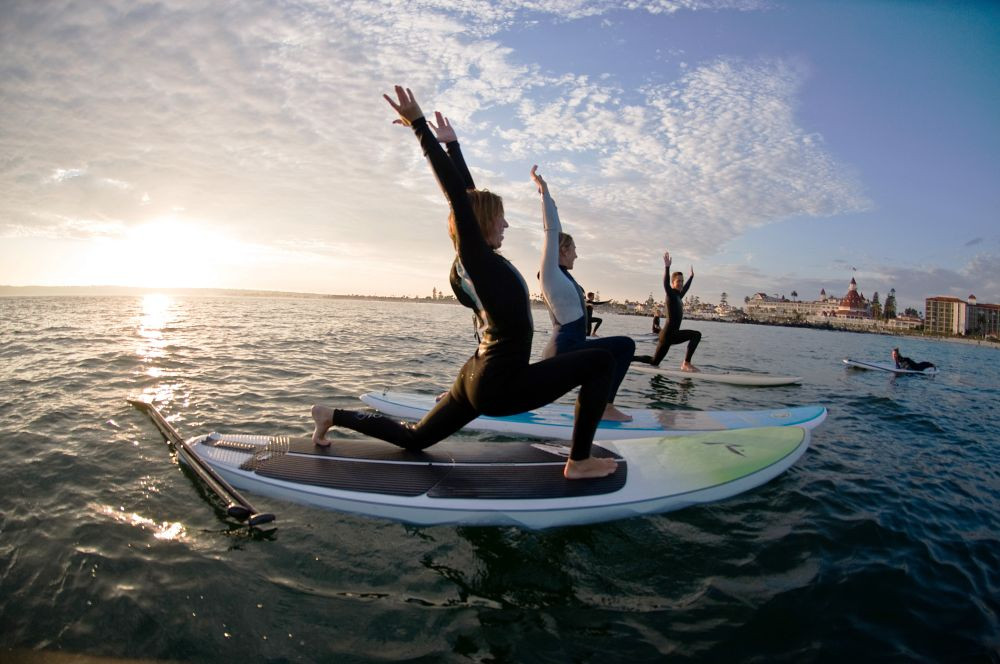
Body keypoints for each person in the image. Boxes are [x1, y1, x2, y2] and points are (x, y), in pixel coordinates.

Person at [311, 86, 618, 480]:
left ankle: (331, 415)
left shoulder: (468, 266)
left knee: (416, 438)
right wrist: (420, 127)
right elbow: (460, 198)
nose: (506, 225)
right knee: (601, 362)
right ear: (483, 224)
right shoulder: (480, 262)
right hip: (501, 385)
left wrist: (455, 147)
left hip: (474, 376)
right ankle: (578, 462)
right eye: (501, 218)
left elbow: (467, 199)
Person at [531, 165, 635, 422]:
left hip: (571, 347)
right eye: (574, 248)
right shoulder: (551, 274)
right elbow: (552, 230)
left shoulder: (564, 277)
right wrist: (544, 193)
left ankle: (594, 404)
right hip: (564, 350)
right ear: (562, 251)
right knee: (624, 346)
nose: (577, 254)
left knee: (614, 350)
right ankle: (602, 406)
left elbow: (559, 229)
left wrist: (551, 199)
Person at [633, 250, 701, 371]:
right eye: (678, 281)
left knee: (654, 361)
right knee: (696, 335)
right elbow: (665, 283)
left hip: (666, 336)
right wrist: (667, 267)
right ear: (673, 283)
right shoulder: (670, 294)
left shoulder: (678, 296)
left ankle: (628, 359)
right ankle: (686, 363)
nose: (681, 283)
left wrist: (691, 277)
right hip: (670, 334)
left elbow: (685, 288)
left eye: (682, 281)